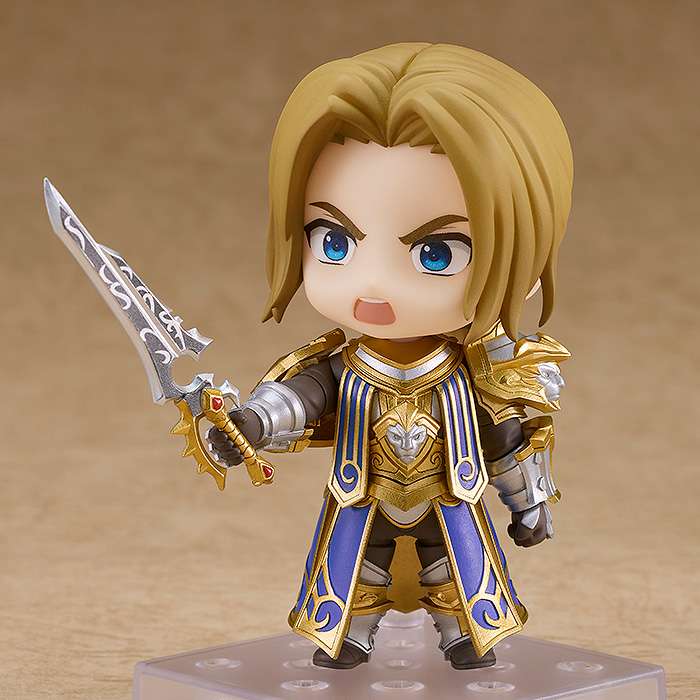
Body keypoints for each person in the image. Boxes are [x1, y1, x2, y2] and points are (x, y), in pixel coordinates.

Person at [208, 42, 573, 670]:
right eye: (334, 240)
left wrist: (529, 502)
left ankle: (462, 632)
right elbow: (300, 398)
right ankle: (351, 632)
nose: (373, 284)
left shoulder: (477, 370)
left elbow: (505, 438)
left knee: (456, 579)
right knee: (355, 576)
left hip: (449, 500)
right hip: (364, 499)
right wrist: (251, 423)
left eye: (436, 253)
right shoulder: (342, 365)